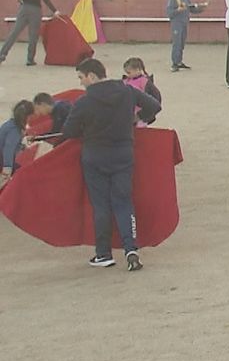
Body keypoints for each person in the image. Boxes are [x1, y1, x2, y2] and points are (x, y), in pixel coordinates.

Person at [62, 57, 162, 271]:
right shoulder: (127, 91)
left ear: (91, 76)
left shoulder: (84, 102)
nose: (81, 82)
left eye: (81, 77)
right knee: (123, 202)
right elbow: (154, 106)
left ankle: (103, 253)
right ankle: (131, 249)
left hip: (95, 156)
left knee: (101, 205)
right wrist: (136, 119)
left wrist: (85, 129)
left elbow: (69, 132)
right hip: (123, 154)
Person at [1, 0, 58, 66]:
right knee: (33, 35)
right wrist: (54, 11)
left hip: (23, 8)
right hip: (35, 10)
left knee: (14, 33)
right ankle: (30, 59)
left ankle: (2, 54)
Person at [166, 0, 208, 73]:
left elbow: (191, 9)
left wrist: (202, 8)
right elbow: (169, 13)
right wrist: (178, 10)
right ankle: (174, 63)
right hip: (176, 24)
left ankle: (179, 61)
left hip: (184, 23)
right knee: (177, 43)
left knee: (181, 43)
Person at [0, 100, 35, 185]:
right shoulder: (15, 130)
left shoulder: (10, 124)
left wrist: (22, 146)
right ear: (28, 117)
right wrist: (7, 168)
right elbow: (8, 149)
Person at [122, 57, 162, 127]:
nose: (128, 75)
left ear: (137, 70)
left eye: (129, 72)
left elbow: (156, 97)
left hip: (140, 114)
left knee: (140, 130)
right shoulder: (126, 81)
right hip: (128, 112)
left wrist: (147, 113)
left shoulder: (144, 82)